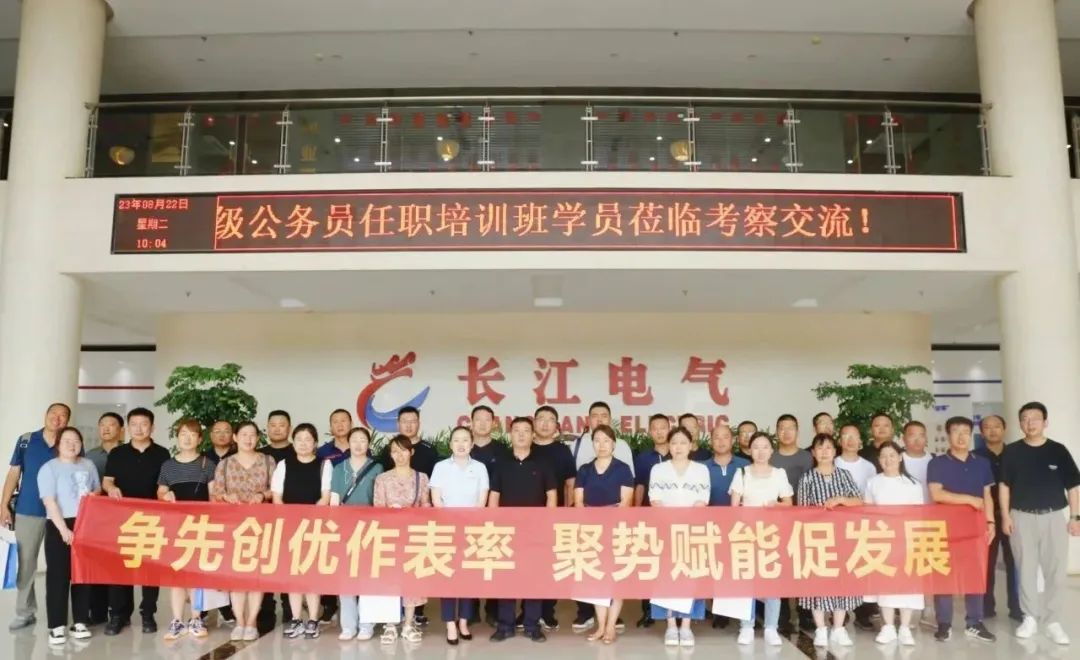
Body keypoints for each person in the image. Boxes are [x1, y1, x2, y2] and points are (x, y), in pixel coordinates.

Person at [1000, 402, 1080, 646]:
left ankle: (1053, 621)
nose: (1030, 423)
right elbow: (1004, 486)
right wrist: (1006, 516)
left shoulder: (1058, 450)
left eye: (1035, 418)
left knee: (1056, 571)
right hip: (1021, 517)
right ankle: (1030, 617)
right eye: (1025, 418)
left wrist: (1075, 517)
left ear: (1045, 422)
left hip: (1053, 517)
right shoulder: (1012, 451)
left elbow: (1073, 487)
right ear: (1020, 423)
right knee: (1025, 569)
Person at [2, 402, 72, 631]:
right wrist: (3, 505)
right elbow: (14, 473)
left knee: (61, 565)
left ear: (67, 421)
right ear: (46, 415)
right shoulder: (26, 440)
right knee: (26, 563)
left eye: (63, 415)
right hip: (28, 510)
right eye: (53, 413)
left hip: (62, 515)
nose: (57, 418)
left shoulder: (71, 442)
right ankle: (25, 612)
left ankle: (60, 613)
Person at [926, 416, 996, 643]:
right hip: (944, 528)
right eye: (956, 431)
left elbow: (987, 495)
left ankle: (974, 622)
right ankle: (944, 623)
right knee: (943, 574)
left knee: (974, 574)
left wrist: (990, 522)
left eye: (966, 431)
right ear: (948, 435)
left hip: (974, 527)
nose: (961, 436)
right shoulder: (937, 463)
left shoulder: (981, 463)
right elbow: (936, 494)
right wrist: (968, 499)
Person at [102, 407, 170, 636]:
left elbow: (165, 486)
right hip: (122, 520)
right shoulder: (117, 453)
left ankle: (148, 613)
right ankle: (118, 615)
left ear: (152, 427)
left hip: (153, 521)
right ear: (127, 427)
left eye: (144, 424)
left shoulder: (162, 454)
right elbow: (107, 481)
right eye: (134, 424)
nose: (139, 428)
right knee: (119, 568)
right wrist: (111, 488)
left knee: (151, 569)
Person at [489, 417, 556, 643]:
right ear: (510, 435)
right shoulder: (501, 463)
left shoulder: (543, 463)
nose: (521, 434)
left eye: (526, 430)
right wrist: (494, 527)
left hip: (535, 532)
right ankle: (505, 626)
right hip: (506, 532)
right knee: (506, 579)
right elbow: (494, 497)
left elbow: (551, 496)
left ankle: (531, 626)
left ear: (533, 435)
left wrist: (547, 525)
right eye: (516, 430)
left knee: (534, 579)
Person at [570, 401, 634, 633]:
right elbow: (578, 501)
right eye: (597, 441)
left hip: (616, 531)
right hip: (590, 532)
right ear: (592, 443)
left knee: (616, 578)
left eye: (606, 441)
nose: (602, 445)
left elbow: (626, 503)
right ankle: (599, 626)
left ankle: (610, 626)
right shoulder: (585, 470)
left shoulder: (623, 469)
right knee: (595, 579)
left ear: (614, 444)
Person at [796, 433, 862, 648]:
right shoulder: (807, 478)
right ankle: (821, 629)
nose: (824, 452)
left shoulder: (844, 475)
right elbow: (801, 510)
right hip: (817, 539)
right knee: (818, 584)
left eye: (828, 448)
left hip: (843, 538)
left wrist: (841, 500)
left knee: (842, 583)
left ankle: (838, 628)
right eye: (820, 448)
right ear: (813, 453)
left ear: (835, 451)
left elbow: (858, 500)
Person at [211, 421, 274, 640]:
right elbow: (217, 493)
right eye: (244, 434)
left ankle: (252, 621)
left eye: (252, 435)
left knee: (256, 576)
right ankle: (239, 621)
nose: (248, 439)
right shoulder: (225, 464)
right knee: (237, 576)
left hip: (261, 526)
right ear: (235, 438)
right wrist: (226, 496)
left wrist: (263, 495)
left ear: (258, 438)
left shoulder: (268, 461)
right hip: (234, 527)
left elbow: (275, 490)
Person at [648, 426, 710, 648]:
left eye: (683, 442)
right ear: (668, 446)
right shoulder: (658, 469)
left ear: (691, 445)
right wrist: (672, 521)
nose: (678, 447)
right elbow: (655, 500)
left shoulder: (701, 469)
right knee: (667, 578)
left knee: (691, 578)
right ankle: (671, 625)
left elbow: (702, 501)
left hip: (692, 532)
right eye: (674, 443)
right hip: (665, 532)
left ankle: (686, 626)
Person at [729, 431, 793, 647]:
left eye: (765, 447)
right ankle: (746, 626)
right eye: (756, 447)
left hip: (772, 535)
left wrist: (776, 505)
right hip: (746, 535)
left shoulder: (779, 474)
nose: (761, 451)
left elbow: (788, 504)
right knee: (746, 582)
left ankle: (771, 627)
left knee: (772, 582)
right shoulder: (742, 473)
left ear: (771, 451)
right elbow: (733, 508)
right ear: (749, 450)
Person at [37, 426, 99, 645]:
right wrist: (64, 530)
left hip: (86, 524)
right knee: (58, 576)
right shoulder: (49, 468)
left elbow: (97, 490)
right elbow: (49, 502)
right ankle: (57, 626)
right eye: (67, 441)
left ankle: (80, 621)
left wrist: (93, 495)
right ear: (58, 444)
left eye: (76, 441)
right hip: (59, 524)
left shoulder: (88, 465)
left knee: (82, 574)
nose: (72, 445)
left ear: (81, 444)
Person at [157, 419, 217, 641]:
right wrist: (166, 495)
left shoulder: (208, 464)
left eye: (192, 434)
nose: (187, 438)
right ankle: (177, 620)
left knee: (196, 576)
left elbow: (213, 498)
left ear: (199, 439)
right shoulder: (168, 466)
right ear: (177, 437)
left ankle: (195, 618)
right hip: (175, 528)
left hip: (201, 528)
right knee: (176, 576)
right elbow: (160, 492)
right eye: (183, 434)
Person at [272, 423, 332, 640]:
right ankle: (297, 619)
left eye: (308, 439)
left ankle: (313, 619)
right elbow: (277, 497)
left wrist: (309, 519)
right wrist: (289, 520)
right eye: (299, 439)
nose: (303, 443)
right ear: (293, 442)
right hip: (289, 529)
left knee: (312, 575)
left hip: (315, 528)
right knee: (293, 576)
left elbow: (325, 497)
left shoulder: (324, 464)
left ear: (315, 443)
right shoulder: (283, 464)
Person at [430, 426, 489, 645]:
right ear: (450, 444)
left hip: (472, 530)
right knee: (448, 577)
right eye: (456, 440)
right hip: (446, 530)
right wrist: (448, 522)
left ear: (472, 444)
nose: (461, 444)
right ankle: (450, 624)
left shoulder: (480, 468)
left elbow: (482, 500)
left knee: (468, 578)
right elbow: (436, 499)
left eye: (465, 440)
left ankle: (464, 621)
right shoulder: (441, 467)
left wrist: (470, 523)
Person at [864, 442, 924, 646]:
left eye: (892, 455)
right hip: (882, 540)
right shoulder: (873, 482)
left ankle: (905, 628)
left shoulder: (913, 484)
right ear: (879, 460)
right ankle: (888, 626)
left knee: (907, 584)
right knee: (885, 584)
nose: (888, 460)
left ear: (900, 457)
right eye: (883, 456)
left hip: (907, 540)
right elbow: (868, 512)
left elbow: (918, 515)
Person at [373, 435, 431, 644]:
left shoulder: (421, 478)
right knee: (389, 581)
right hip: (389, 537)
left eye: (403, 450)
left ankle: (408, 624)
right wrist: (390, 512)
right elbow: (377, 508)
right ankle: (390, 625)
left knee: (412, 581)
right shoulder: (382, 479)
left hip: (413, 536)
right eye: (395, 451)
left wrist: (416, 513)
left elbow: (426, 505)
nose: (399, 455)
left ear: (411, 452)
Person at [330, 426, 386, 641]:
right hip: (344, 530)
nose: (358, 444)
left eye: (363, 440)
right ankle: (348, 625)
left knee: (367, 578)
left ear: (368, 444)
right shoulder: (338, 468)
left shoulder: (377, 467)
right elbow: (334, 500)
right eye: (355, 440)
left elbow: (379, 500)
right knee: (346, 579)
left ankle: (366, 624)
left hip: (370, 530)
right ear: (348, 443)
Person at [698, 422, 748, 629]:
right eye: (716, 437)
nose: (721, 441)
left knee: (737, 569)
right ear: (710, 441)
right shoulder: (701, 467)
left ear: (732, 440)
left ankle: (742, 612)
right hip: (710, 528)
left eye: (725, 436)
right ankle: (719, 611)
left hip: (740, 527)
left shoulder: (745, 465)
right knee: (715, 569)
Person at [530, 404, 576, 632]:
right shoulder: (525, 447)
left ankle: (547, 612)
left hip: (554, 517)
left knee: (550, 566)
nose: (545, 423)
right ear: (534, 422)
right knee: (528, 565)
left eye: (550, 419)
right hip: (526, 518)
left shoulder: (562, 451)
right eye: (541, 418)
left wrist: (567, 512)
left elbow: (570, 484)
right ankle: (528, 612)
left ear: (556, 426)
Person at [974, 414, 1021, 623]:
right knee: (986, 562)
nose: (992, 430)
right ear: (981, 431)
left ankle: (1017, 607)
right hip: (986, 518)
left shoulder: (1016, 454)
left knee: (1015, 562)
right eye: (987, 427)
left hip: (1013, 516)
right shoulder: (975, 457)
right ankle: (986, 606)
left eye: (997, 426)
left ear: (1004, 428)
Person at [769, 413, 812, 633]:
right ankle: (783, 614)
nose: (786, 432)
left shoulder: (808, 457)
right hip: (777, 522)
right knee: (782, 567)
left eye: (791, 428)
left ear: (797, 431)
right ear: (777, 432)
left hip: (804, 521)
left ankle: (805, 613)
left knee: (803, 567)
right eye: (782, 428)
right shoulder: (770, 457)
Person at [466, 404, 508, 627]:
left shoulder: (502, 450)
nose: (482, 424)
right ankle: (470, 610)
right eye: (478, 419)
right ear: (471, 422)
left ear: (494, 423)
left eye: (487, 419)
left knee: (494, 562)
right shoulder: (464, 446)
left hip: (495, 515)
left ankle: (493, 610)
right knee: (470, 562)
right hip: (468, 515)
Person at [632, 412, 671, 629]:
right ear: (649, 432)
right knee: (648, 565)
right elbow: (639, 486)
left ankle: (672, 610)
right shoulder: (643, 458)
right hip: (649, 518)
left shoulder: (678, 453)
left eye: (663, 427)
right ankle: (647, 610)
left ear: (669, 429)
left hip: (673, 520)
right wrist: (638, 512)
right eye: (655, 428)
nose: (659, 432)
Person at [257, 409, 294, 631]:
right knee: (266, 563)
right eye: (273, 425)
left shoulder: (298, 451)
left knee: (289, 562)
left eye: (282, 425)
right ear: (267, 428)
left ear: (289, 428)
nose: (277, 429)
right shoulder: (260, 454)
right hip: (264, 519)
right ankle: (266, 609)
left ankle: (290, 609)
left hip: (291, 518)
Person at [85, 411, 123, 625]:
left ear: (121, 430)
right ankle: (97, 611)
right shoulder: (89, 456)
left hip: (122, 519)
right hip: (96, 519)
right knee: (96, 564)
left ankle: (120, 612)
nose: (106, 428)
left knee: (119, 566)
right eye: (102, 425)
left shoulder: (127, 453)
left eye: (111, 424)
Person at [835, 423, 876, 494]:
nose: (850, 440)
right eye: (846, 436)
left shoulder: (869, 467)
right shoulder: (832, 464)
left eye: (854, 436)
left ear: (860, 441)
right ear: (839, 441)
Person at [901, 420, 933, 501]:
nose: (917, 440)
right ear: (904, 439)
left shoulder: (934, 460)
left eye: (921, 435)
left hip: (930, 507)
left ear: (926, 439)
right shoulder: (897, 460)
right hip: (905, 507)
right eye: (912, 435)